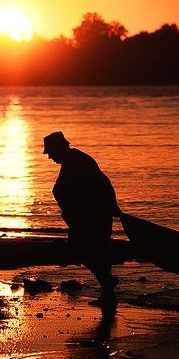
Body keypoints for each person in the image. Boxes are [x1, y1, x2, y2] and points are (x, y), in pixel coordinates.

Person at [43, 131, 120, 306]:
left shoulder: (76, 161)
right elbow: (103, 183)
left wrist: (110, 206)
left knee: (88, 251)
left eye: (51, 153)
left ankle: (108, 289)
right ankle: (108, 289)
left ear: (59, 148)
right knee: (93, 251)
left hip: (94, 217)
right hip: (91, 216)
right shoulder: (74, 160)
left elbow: (102, 183)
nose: (50, 157)